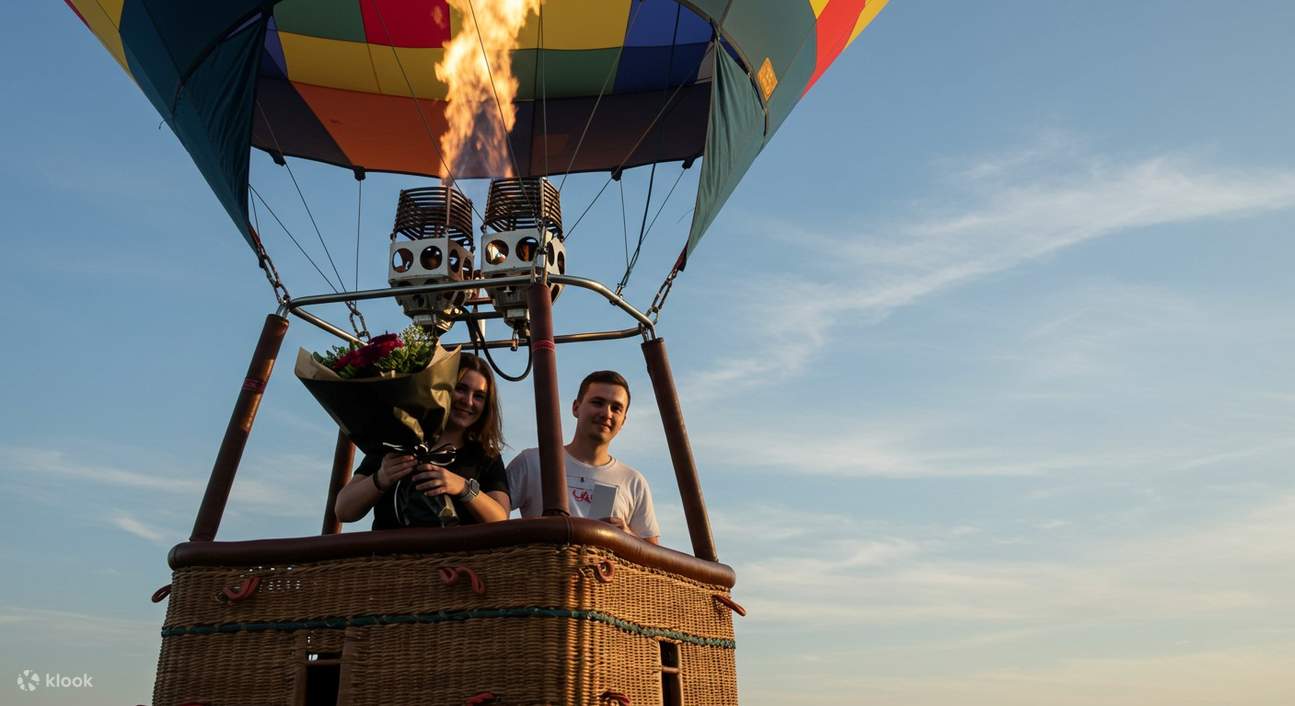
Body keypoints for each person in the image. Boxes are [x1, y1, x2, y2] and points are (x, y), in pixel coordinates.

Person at [335, 353, 510, 529]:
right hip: (389, 555)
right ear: (441, 388)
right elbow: (343, 510)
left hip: (457, 556)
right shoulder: (397, 443)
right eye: (461, 388)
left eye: (479, 396)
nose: (468, 401)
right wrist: (381, 478)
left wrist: (463, 488)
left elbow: (501, 520)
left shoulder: (486, 456)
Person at [507, 370, 660, 544]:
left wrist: (627, 537)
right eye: (598, 403)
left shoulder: (633, 482)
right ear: (576, 407)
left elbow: (653, 555)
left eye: (616, 408)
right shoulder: (532, 462)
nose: (606, 414)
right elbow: (493, 516)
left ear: (623, 420)